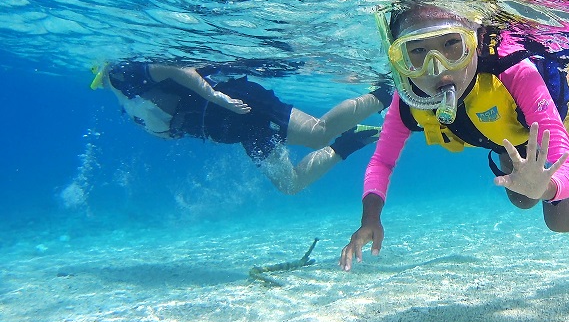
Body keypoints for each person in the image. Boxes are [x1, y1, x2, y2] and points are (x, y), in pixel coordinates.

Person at [339, 0, 569, 270]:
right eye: (416, 53)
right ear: (398, 60)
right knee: (520, 201)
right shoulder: (409, 101)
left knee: (563, 220)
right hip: (508, 136)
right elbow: (382, 161)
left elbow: (568, 171)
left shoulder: (512, 71)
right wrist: (370, 218)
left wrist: (546, 187)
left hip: (555, 112)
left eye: (453, 46)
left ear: (476, 41)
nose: (438, 70)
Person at [91, 61, 392, 194]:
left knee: (317, 135)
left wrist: (214, 95)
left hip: (238, 104)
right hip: (235, 130)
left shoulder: (122, 74)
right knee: (291, 185)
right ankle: (350, 142)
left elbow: (175, 70)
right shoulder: (124, 99)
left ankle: (385, 93)